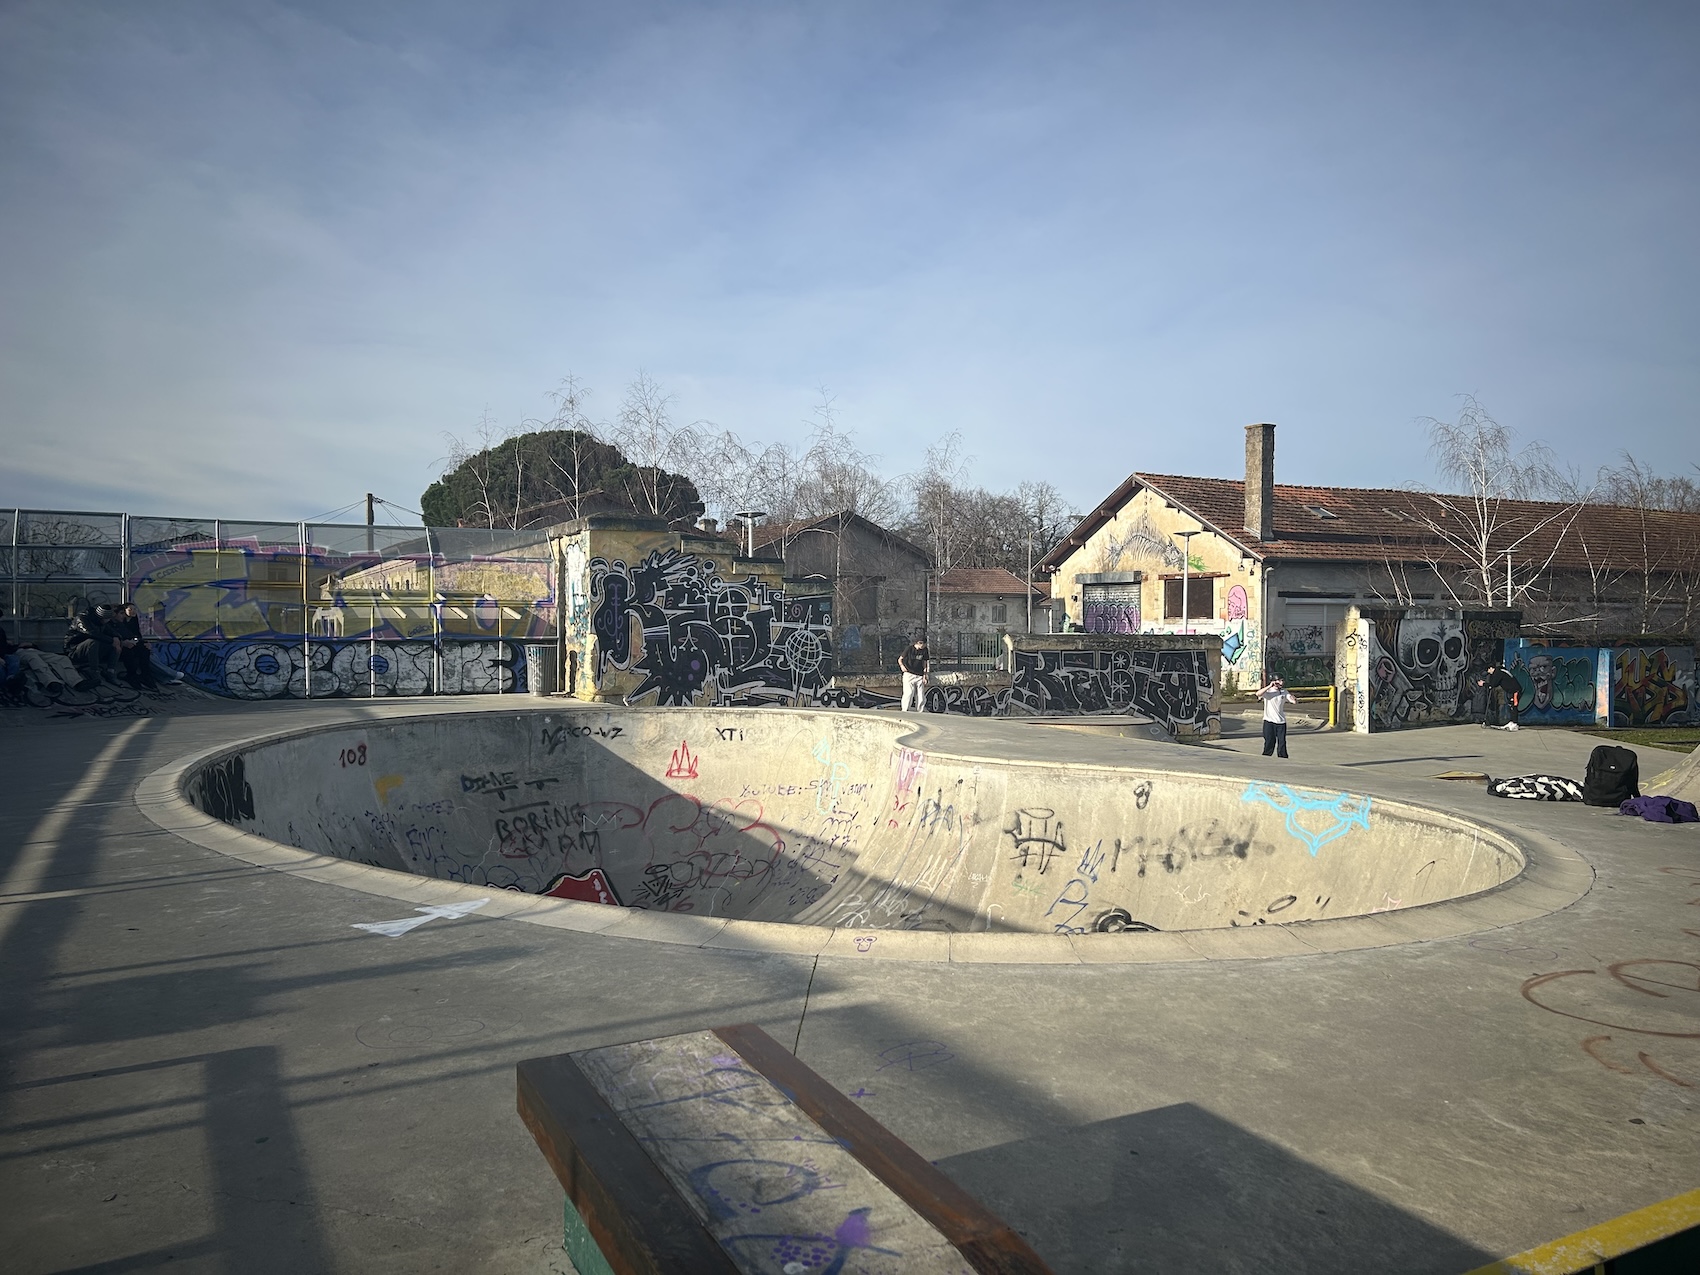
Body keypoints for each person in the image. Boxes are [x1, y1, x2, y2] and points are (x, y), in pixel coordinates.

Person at [65, 601, 123, 687]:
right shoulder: (82, 619)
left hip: (93, 651)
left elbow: (112, 632)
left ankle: (110, 672)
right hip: (74, 650)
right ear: (101, 617)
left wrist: (116, 638)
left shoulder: (102, 622)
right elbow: (91, 633)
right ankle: (94, 672)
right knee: (93, 641)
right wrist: (111, 640)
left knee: (115, 643)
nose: (108, 621)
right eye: (107, 619)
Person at [111, 602, 158, 690]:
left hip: (127, 643)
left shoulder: (126, 622)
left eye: (135, 609)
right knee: (129, 651)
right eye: (130, 610)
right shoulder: (111, 623)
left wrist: (142, 642)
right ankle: (131, 675)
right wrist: (123, 642)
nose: (133, 611)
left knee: (144, 650)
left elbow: (132, 635)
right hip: (115, 648)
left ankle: (145, 675)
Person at [1258, 673, 1298, 758]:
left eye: (1282, 680)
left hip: (1281, 722)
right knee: (1269, 741)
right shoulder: (1267, 692)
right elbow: (1258, 694)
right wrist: (1269, 686)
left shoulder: (1284, 692)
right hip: (1269, 721)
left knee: (1282, 742)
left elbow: (1292, 700)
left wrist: (1294, 699)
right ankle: (1266, 756)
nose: (1281, 682)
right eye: (1279, 680)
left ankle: (1283, 757)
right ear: (1274, 681)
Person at [1476, 661, 1522, 731]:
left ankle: (1515, 724)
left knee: (1514, 706)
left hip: (1515, 691)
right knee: (1512, 706)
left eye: (1488, 670)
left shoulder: (1498, 673)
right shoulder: (1500, 671)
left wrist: (1484, 684)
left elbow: (1493, 684)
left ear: (1491, 668)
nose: (1488, 672)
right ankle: (1513, 722)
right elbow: (1496, 684)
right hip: (1513, 691)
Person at [899, 636, 930, 712]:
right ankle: (905, 710)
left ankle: (920, 710)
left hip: (919, 675)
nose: (924, 646)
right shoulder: (909, 649)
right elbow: (900, 659)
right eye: (923, 644)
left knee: (920, 695)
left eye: (925, 644)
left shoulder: (925, 650)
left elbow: (925, 663)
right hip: (909, 673)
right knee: (909, 692)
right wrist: (902, 666)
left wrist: (925, 675)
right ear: (919, 643)